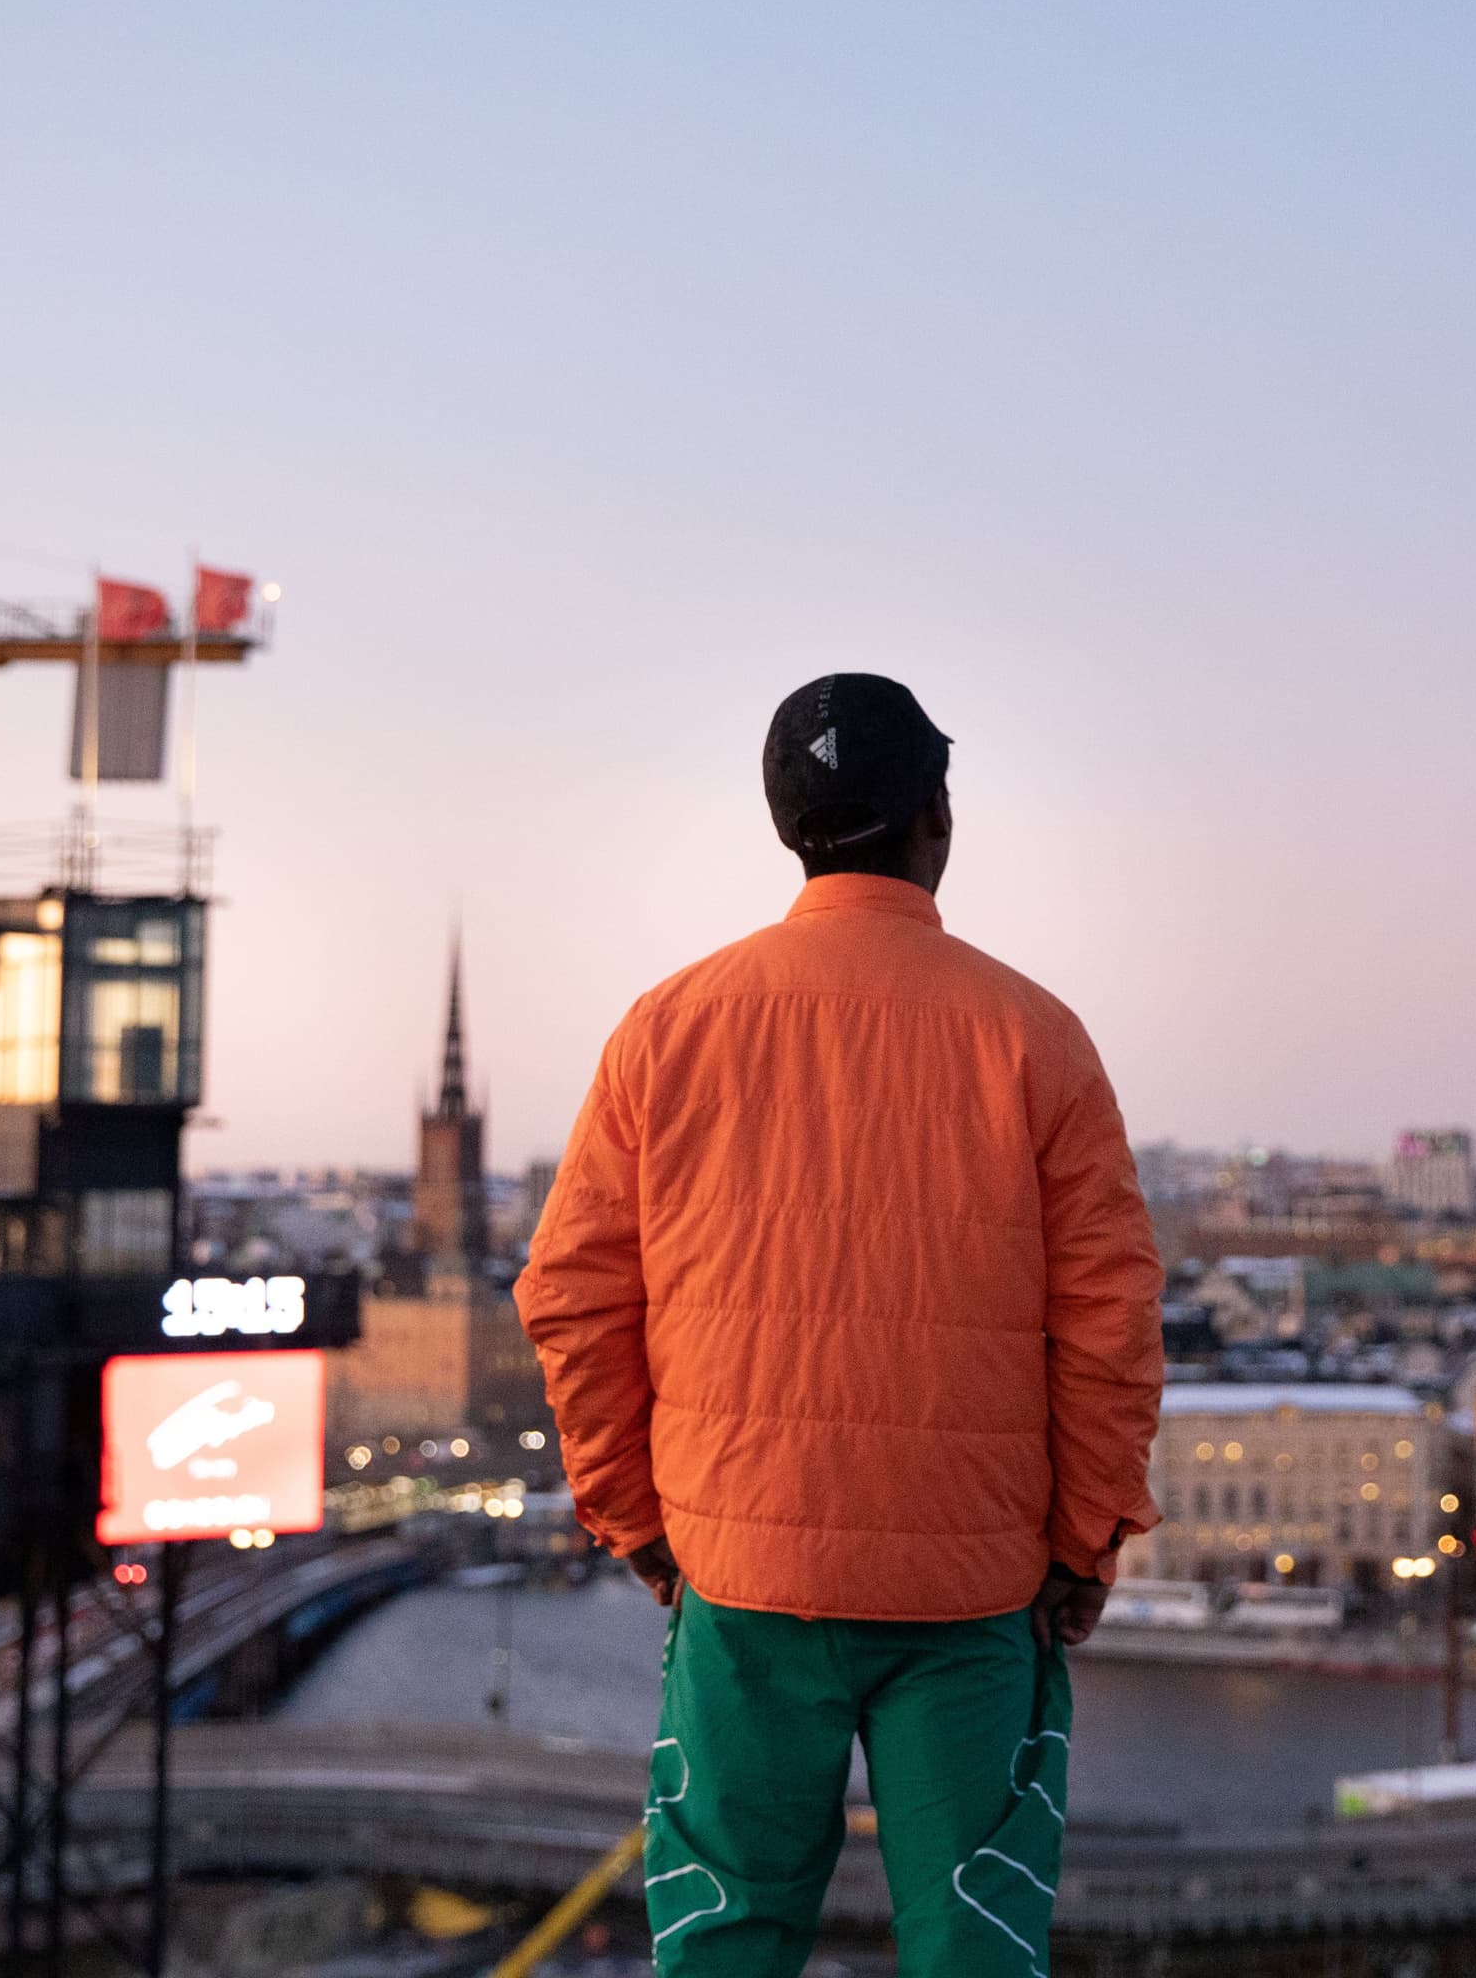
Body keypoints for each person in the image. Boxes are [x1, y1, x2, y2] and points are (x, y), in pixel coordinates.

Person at [515, 672, 1165, 1978]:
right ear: (938, 818)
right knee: (974, 1942)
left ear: (786, 826)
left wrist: (634, 1515)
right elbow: (1109, 1325)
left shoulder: (668, 1029)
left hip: (740, 1573)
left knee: (726, 1943)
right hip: (973, 1589)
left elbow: (571, 1299)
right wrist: (1082, 1538)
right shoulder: (1035, 1038)